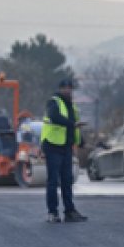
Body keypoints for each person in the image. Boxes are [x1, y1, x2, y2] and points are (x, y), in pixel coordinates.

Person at [41, 78, 87, 223]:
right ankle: (52, 212)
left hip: (66, 146)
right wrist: (73, 124)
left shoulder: (71, 106)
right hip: (53, 145)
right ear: (60, 89)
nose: (68, 90)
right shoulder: (54, 102)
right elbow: (55, 118)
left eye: (70, 88)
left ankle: (69, 211)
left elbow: (75, 127)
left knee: (67, 180)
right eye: (65, 88)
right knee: (53, 181)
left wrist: (80, 141)